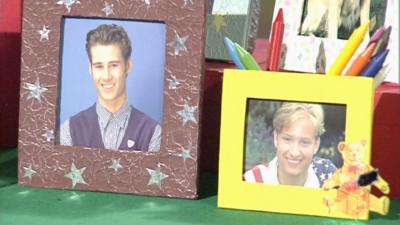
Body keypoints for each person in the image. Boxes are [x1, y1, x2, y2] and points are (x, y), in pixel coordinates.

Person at [59, 24, 161, 152]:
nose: (106, 76)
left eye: (113, 65)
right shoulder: (69, 131)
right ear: (90, 68)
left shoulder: (153, 133)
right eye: (99, 66)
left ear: (128, 66)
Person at [244, 102, 336, 188]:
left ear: (316, 145)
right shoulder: (253, 181)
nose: (294, 152)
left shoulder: (329, 177)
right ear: (276, 138)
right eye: (287, 139)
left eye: (304, 142)